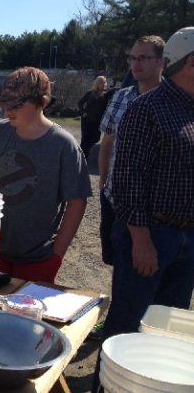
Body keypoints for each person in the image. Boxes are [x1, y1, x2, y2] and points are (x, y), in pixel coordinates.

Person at [103, 26, 194, 339]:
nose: (136, 63)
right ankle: (109, 386)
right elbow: (128, 181)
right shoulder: (146, 108)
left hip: (186, 236)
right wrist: (141, 243)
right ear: (191, 63)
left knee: (166, 330)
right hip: (151, 237)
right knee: (127, 326)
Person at [0, 67, 91, 284]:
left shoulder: (63, 145)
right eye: (6, 102)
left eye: (18, 104)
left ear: (42, 102)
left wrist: (56, 256)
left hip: (38, 258)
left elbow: (77, 202)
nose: (9, 110)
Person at [97, 36, 165, 265]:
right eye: (133, 58)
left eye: (143, 58)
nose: (136, 64)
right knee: (119, 264)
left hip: (155, 209)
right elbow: (107, 142)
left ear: (161, 62)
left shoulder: (174, 100)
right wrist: (103, 182)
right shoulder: (121, 97)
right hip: (116, 199)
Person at [77, 75, 108, 159]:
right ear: (98, 83)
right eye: (103, 82)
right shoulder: (90, 93)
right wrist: (83, 112)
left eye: (105, 82)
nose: (105, 84)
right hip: (86, 121)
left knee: (96, 138)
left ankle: (81, 154)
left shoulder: (106, 96)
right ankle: (81, 158)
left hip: (97, 122)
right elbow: (80, 103)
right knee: (85, 140)